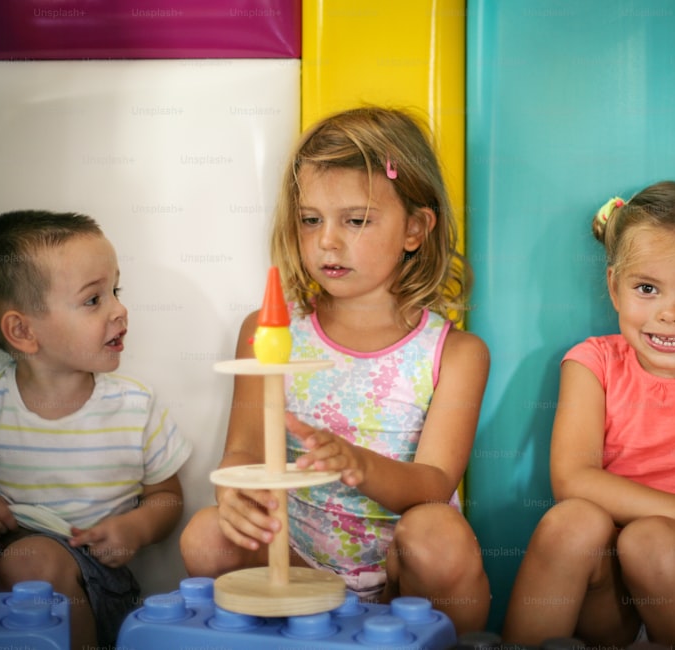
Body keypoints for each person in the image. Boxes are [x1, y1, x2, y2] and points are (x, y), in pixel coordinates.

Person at [180, 106, 491, 632]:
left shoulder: (455, 353)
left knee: (440, 535)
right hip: (298, 562)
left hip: (403, 572)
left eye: (356, 220)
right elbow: (244, 453)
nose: (326, 241)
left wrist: (358, 464)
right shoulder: (269, 333)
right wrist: (236, 498)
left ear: (415, 228)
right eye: (310, 219)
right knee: (206, 535)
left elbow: (434, 486)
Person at [502, 182, 675, 648]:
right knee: (571, 521)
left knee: (650, 541)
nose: (669, 314)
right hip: (612, 609)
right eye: (647, 288)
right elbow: (572, 479)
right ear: (615, 288)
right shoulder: (592, 363)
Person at [0, 210, 192, 649]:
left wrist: (135, 529)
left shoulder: (133, 406)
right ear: (23, 331)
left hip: (93, 581)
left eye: (115, 291)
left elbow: (166, 495)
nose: (120, 309)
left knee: (33, 560)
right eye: (93, 299)